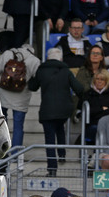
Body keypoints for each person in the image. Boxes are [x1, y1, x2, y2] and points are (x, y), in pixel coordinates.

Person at [28, 48, 84, 176]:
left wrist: (31, 76)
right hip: (64, 109)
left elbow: (33, 86)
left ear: (48, 58)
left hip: (47, 109)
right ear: (61, 59)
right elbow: (79, 88)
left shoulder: (41, 70)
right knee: (60, 129)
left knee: (49, 140)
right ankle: (62, 154)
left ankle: (52, 169)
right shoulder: (66, 71)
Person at [0, 45, 40, 148]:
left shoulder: (7, 53)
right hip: (21, 97)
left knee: (1, 124)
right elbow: (35, 82)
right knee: (18, 126)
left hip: (3, 93)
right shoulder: (35, 61)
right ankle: (16, 154)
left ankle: (2, 148)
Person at [83, 68, 109, 143]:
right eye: (97, 79)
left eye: (102, 79)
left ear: (107, 81)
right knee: (97, 129)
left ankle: (100, 153)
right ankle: (97, 153)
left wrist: (97, 111)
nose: (99, 81)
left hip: (108, 125)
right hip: (92, 126)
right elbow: (87, 112)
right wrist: (102, 109)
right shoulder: (88, 94)